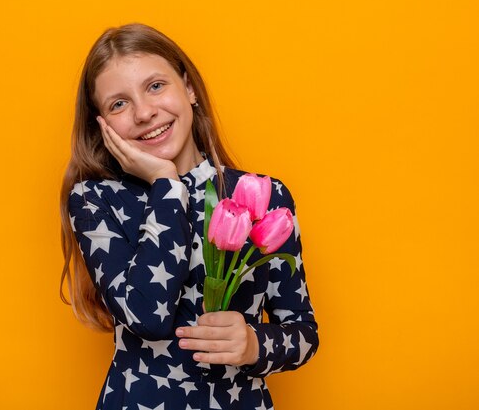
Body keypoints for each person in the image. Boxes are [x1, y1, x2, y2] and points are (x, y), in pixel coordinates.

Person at [60, 23, 318, 410]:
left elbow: (303, 331)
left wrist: (253, 344)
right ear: (102, 125)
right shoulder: (96, 201)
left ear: (190, 88)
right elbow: (148, 315)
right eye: (119, 104)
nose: (145, 112)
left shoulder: (261, 196)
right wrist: (166, 185)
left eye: (156, 86)